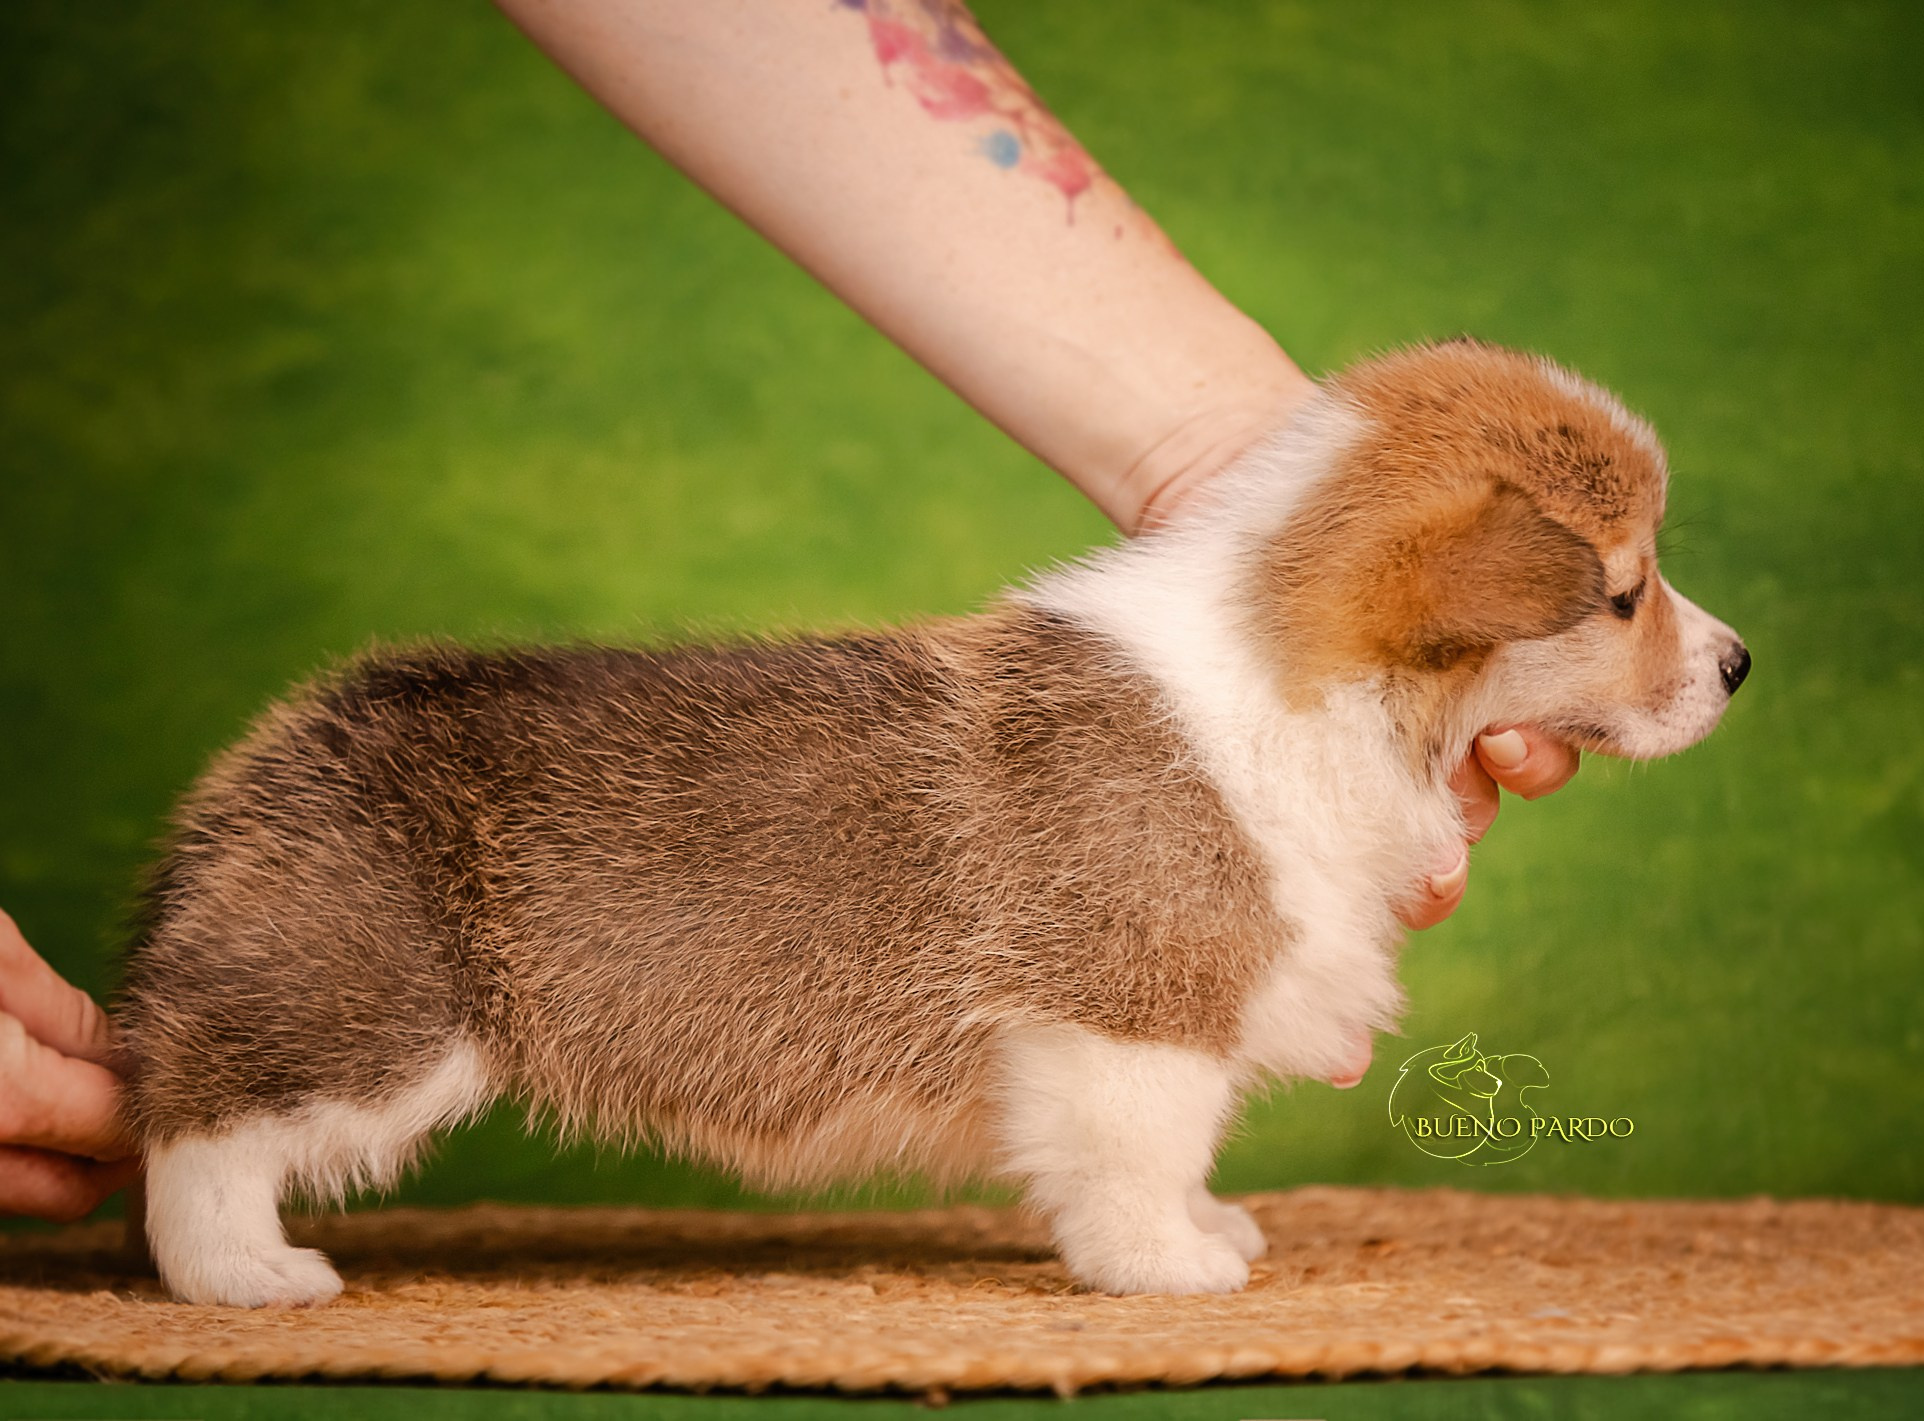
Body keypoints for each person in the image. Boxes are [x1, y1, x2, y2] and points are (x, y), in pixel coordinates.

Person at [0, 0, 1578, 1221]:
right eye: (1618, 591)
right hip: (481, 883)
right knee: (383, 1006)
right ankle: (217, 1158)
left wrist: (1237, 463)